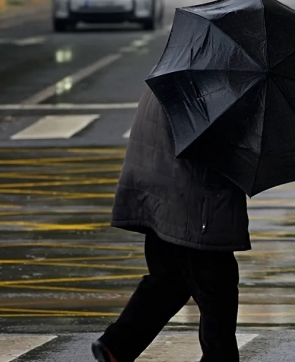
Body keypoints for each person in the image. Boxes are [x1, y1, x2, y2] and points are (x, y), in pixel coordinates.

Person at [92, 88, 250, 362]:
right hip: (193, 200)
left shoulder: (181, 73)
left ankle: (117, 346)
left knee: (170, 280)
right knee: (217, 289)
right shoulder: (215, 87)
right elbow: (220, 142)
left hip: (161, 191)